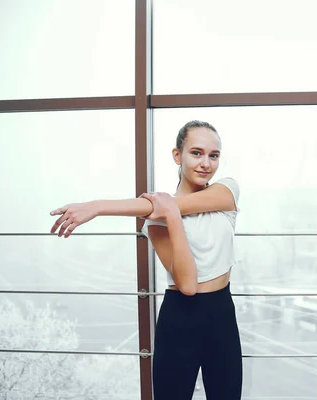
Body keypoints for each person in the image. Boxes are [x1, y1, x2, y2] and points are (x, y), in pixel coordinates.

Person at [49, 120, 242, 399]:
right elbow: (188, 285)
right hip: (180, 319)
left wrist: (98, 207)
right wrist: (171, 217)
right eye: (196, 153)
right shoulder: (156, 222)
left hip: (221, 315)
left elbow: (164, 206)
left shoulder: (227, 191)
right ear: (177, 155)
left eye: (214, 155)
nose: (206, 163)